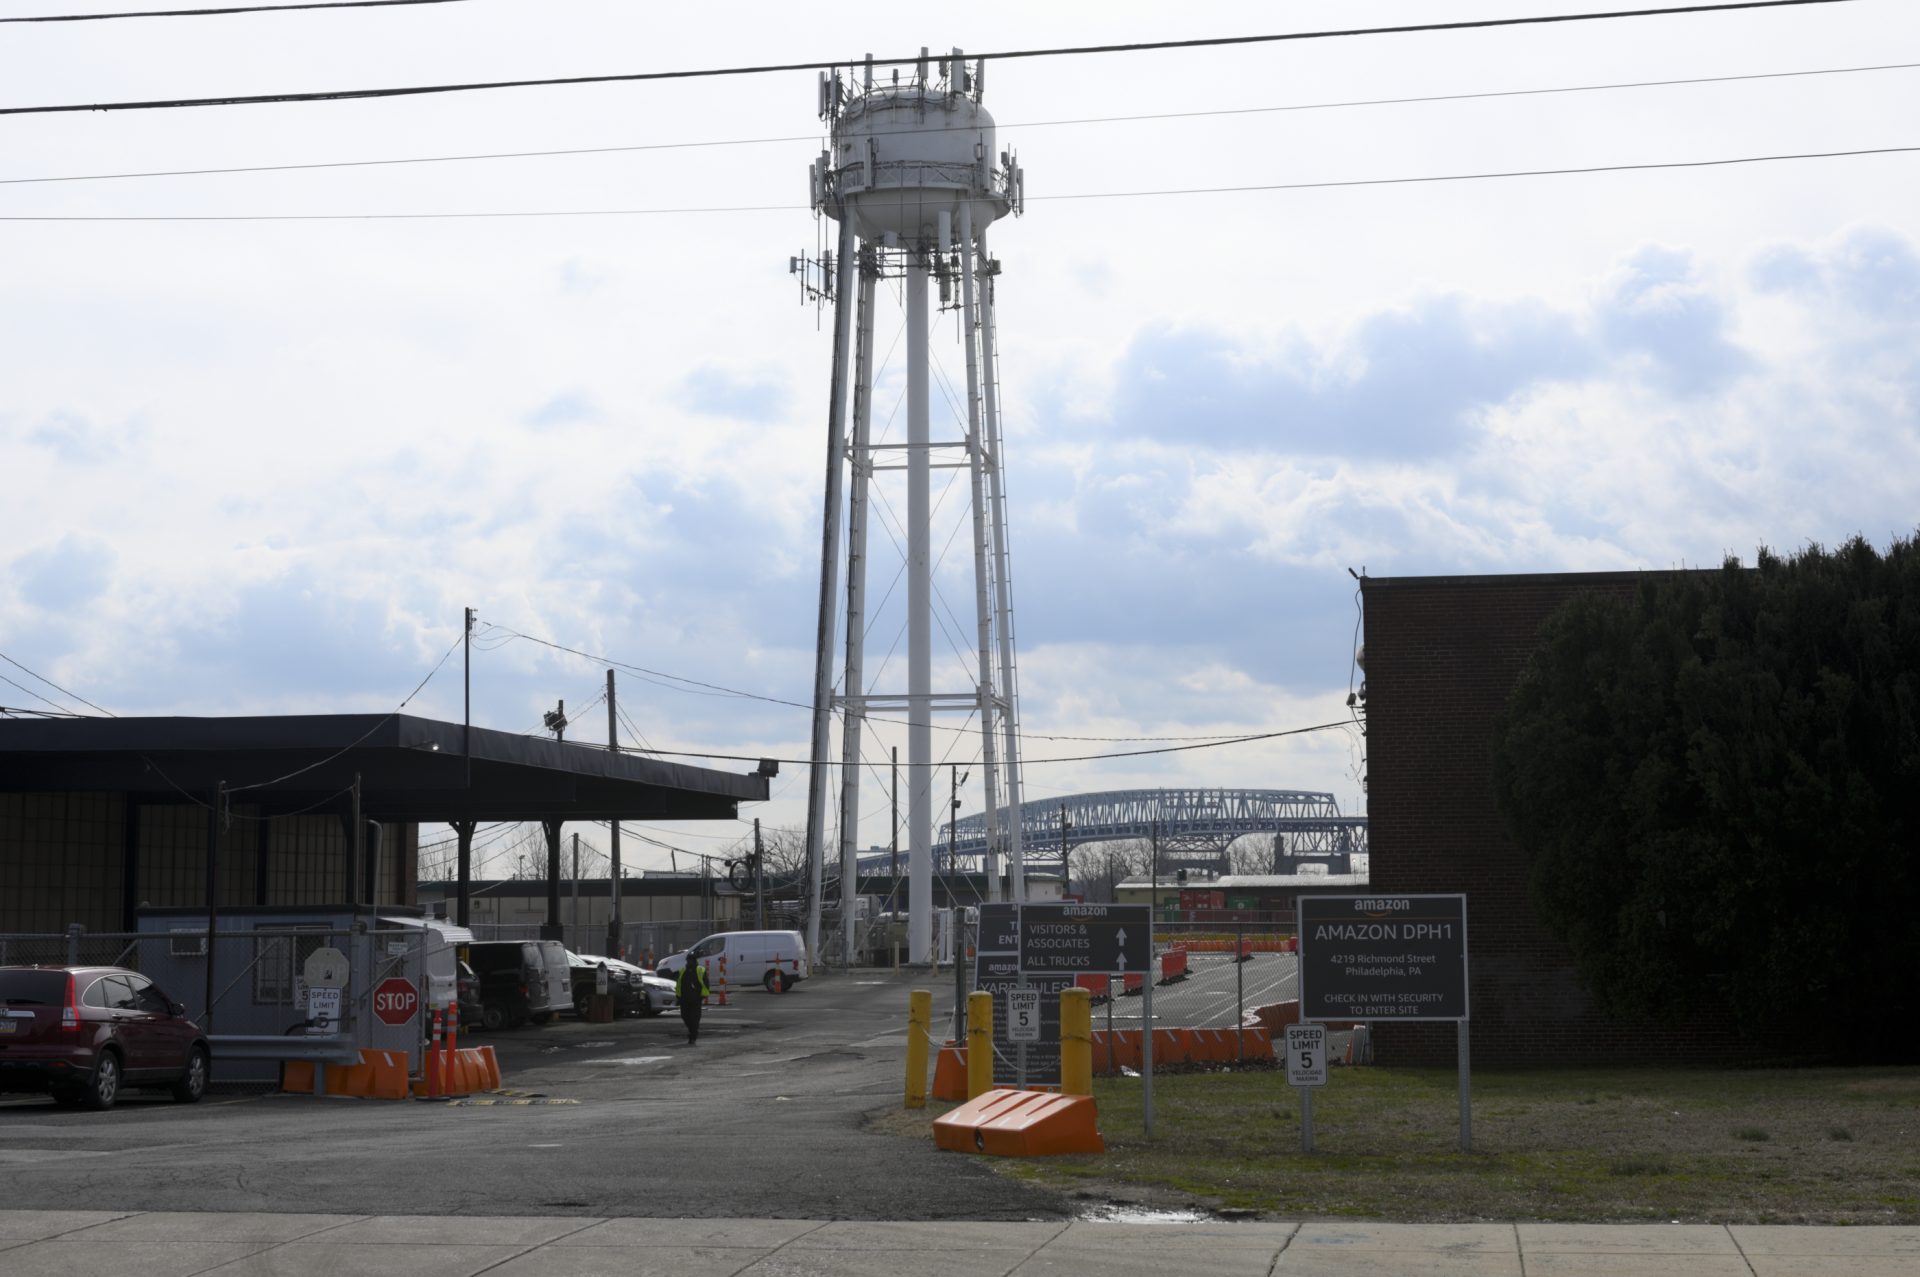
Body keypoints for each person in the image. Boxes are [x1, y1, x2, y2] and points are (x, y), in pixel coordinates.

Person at [675, 958, 710, 1044]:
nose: (688, 962)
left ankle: (693, 1036)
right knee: (685, 1016)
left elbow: (706, 984)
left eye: (690, 961)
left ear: (694, 962)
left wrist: (701, 996)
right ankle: (692, 1031)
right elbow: (678, 982)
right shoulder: (683, 970)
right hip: (684, 999)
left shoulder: (700, 970)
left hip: (696, 999)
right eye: (687, 961)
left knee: (695, 1018)